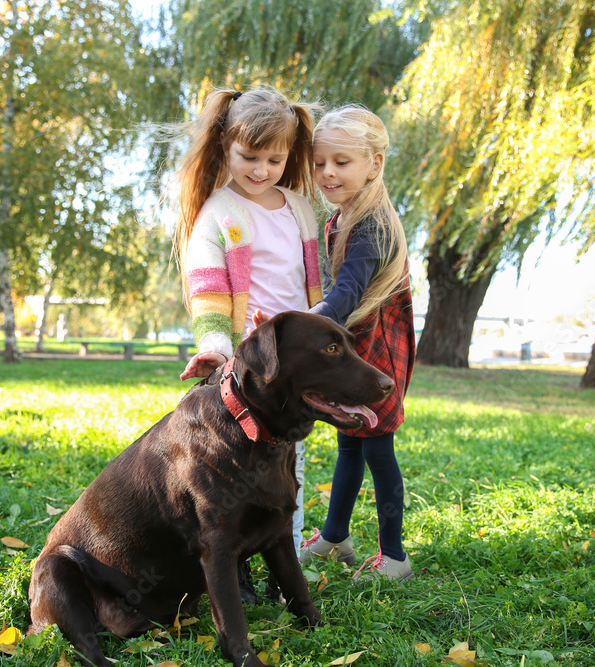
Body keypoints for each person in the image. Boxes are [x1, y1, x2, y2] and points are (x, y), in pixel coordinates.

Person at [173, 86, 322, 601]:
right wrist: (217, 346)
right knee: (230, 468)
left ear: (290, 155)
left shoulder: (301, 210)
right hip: (246, 365)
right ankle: (232, 570)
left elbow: (313, 283)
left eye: (274, 159)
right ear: (225, 148)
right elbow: (209, 290)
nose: (260, 170)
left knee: (288, 467)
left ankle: (289, 572)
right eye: (248, 157)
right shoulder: (218, 214)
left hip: (293, 363)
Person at [300, 105, 416, 581]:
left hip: (378, 351)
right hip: (360, 343)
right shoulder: (344, 215)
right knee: (351, 442)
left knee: (378, 452)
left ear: (375, 163)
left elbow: (346, 291)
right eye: (320, 161)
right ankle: (335, 538)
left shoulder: (371, 224)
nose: (327, 172)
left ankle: (394, 558)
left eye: (341, 162)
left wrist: (306, 323)